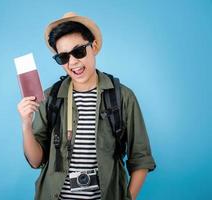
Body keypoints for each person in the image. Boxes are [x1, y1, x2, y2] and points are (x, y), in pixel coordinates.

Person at [17, 12, 156, 200]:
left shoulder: (123, 97)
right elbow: (35, 161)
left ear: (94, 46)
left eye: (79, 51)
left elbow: (141, 159)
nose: (73, 62)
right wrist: (26, 124)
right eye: (63, 57)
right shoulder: (50, 97)